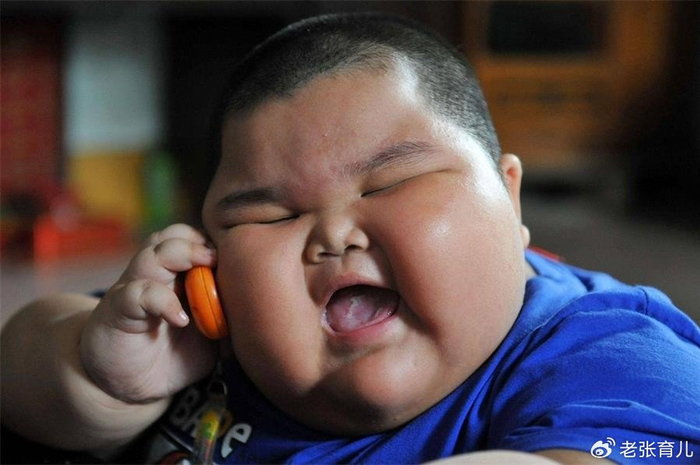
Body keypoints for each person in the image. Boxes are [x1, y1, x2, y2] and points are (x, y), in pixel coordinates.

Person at [2, 13, 699, 465]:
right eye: (268, 216)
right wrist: (100, 378)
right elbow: (19, 367)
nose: (333, 233)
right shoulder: (197, 335)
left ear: (508, 196)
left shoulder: (606, 349)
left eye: (391, 182)